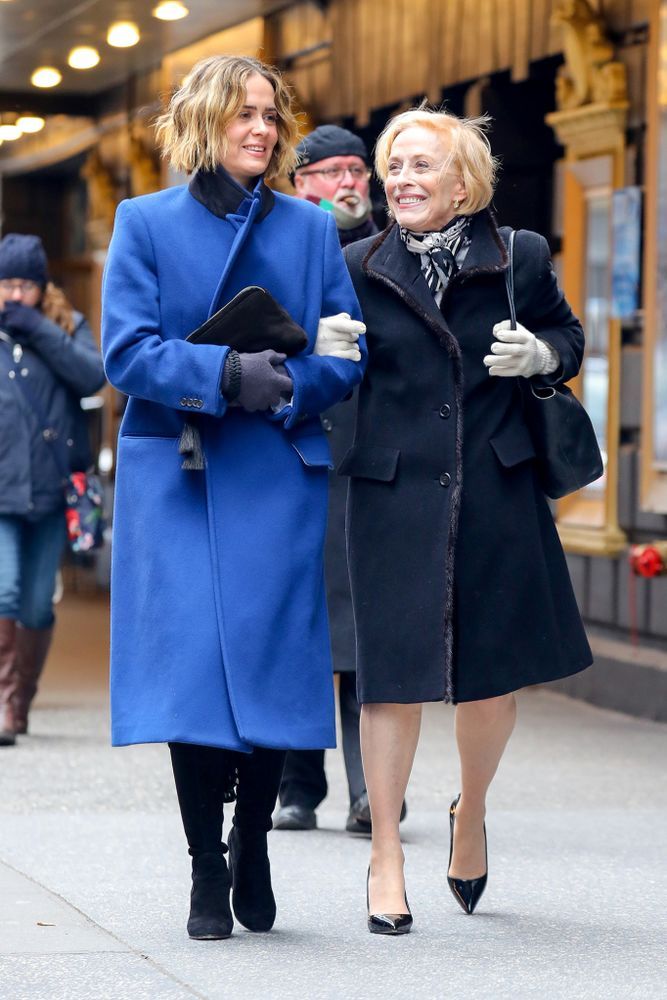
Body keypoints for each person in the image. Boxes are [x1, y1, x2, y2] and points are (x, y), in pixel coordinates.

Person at [101, 55, 365, 941]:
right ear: (201, 124)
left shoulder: (309, 230)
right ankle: (205, 865)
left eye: (268, 114)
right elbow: (127, 353)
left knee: (271, 666)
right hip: (176, 474)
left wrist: (291, 386)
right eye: (241, 114)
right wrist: (222, 371)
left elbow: (343, 350)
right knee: (193, 676)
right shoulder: (142, 222)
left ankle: (251, 839)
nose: (260, 128)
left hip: (275, 470)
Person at [340, 107, 592, 934]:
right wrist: (324, 353)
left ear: (462, 183)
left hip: (493, 489)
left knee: (489, 683)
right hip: (391, 493)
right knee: (390, 682)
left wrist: (543, 354)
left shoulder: (518, 256)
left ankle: (470, 811)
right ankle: (384, 853)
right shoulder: (355, 265)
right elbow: (327, 373)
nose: (403, 181)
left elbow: (566, 334)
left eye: (420, 167)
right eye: (394, 167)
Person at [275, 125, 382, 835]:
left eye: (358, 170)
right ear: (301, 181)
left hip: (373, 458)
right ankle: (295, 786)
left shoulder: (390, 247)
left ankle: (371, 788)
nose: (348, 182)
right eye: (330, 172)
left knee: (366, 632)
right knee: (297, 627)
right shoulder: (282, 243)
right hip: (299, 453)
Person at [0, 234, 105, 747]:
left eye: (26, 286)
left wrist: (39, 331)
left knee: (39, 604)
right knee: (6, 589)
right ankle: (2, 703)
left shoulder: (65, 326)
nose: (15, 296)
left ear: (43, 288)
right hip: (0, 490)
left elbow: (92, 377)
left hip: (47, 490)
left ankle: (20, 701)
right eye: (7, 285)